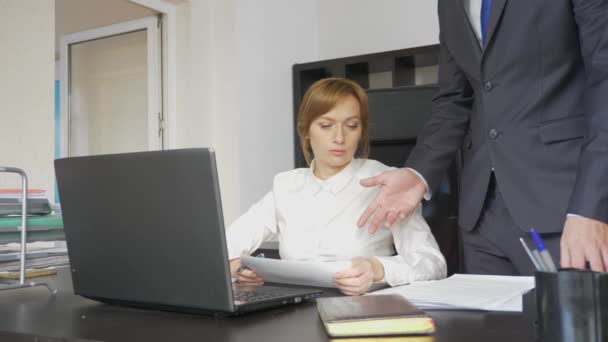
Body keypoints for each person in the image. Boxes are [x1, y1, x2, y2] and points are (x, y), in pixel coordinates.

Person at [358, 0, 608, 275]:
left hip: (565, 208)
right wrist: (419, 171)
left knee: (571, 319)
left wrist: (590, 208)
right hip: (480, 216)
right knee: (487, 319)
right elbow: (454, 97)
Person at [226, 78, 446, 295]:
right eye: (326, 125)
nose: (339, 137)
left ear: (361, 132)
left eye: (351, 126)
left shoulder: (386, 182)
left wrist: (378, 269)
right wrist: (236, 267)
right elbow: (226, 244)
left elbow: (433, 263)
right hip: (293, 312)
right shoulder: (286, 185)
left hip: (363, 313)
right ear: (306, 131)